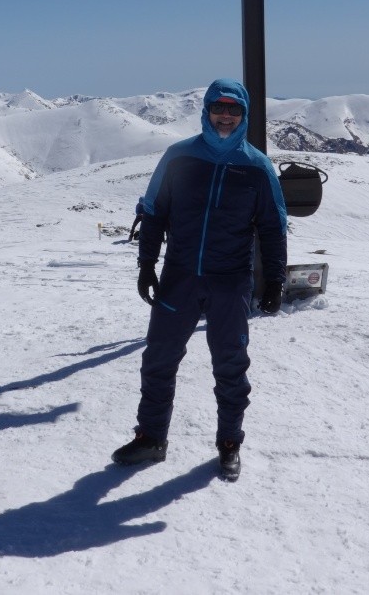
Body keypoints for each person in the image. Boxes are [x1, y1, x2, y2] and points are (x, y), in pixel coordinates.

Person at [113, 78, 287, 482]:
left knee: (230, 366)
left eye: (234, 110)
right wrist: (146, 264)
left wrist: (275, 281)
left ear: (243, 116)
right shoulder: (179, 157)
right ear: (206, 110)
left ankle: (229, 444)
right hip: (180, 277)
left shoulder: (257, 167)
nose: (225, 116)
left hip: (230, 283)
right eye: (218, 108)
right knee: (158, 359)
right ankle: (151, 437)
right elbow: (154, 212)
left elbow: (273, 228)